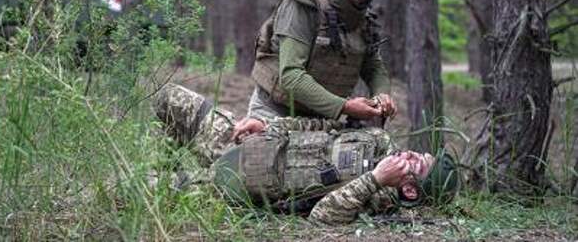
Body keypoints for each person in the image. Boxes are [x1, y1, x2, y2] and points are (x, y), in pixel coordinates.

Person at [154, 83, 459, 225]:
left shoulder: (380, 203)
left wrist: (375, 179)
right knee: (169, 98)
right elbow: (320, 125)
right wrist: (268, 123)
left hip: (240, 186)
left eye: (416, 162)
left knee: (144, 188)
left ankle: (169, 177)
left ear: (408, 187)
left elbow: (321, 216)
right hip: (248, 142)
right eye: (419, 152)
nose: (410, 153)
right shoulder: (379, 138)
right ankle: (167, 161)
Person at [248, 0, 398, 126]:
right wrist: (344, 106)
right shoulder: (303, 6)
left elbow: (373, 66)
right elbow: (291, 76)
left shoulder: (362, 19)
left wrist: (382, 94)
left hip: (323, 120)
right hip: (273, 114)